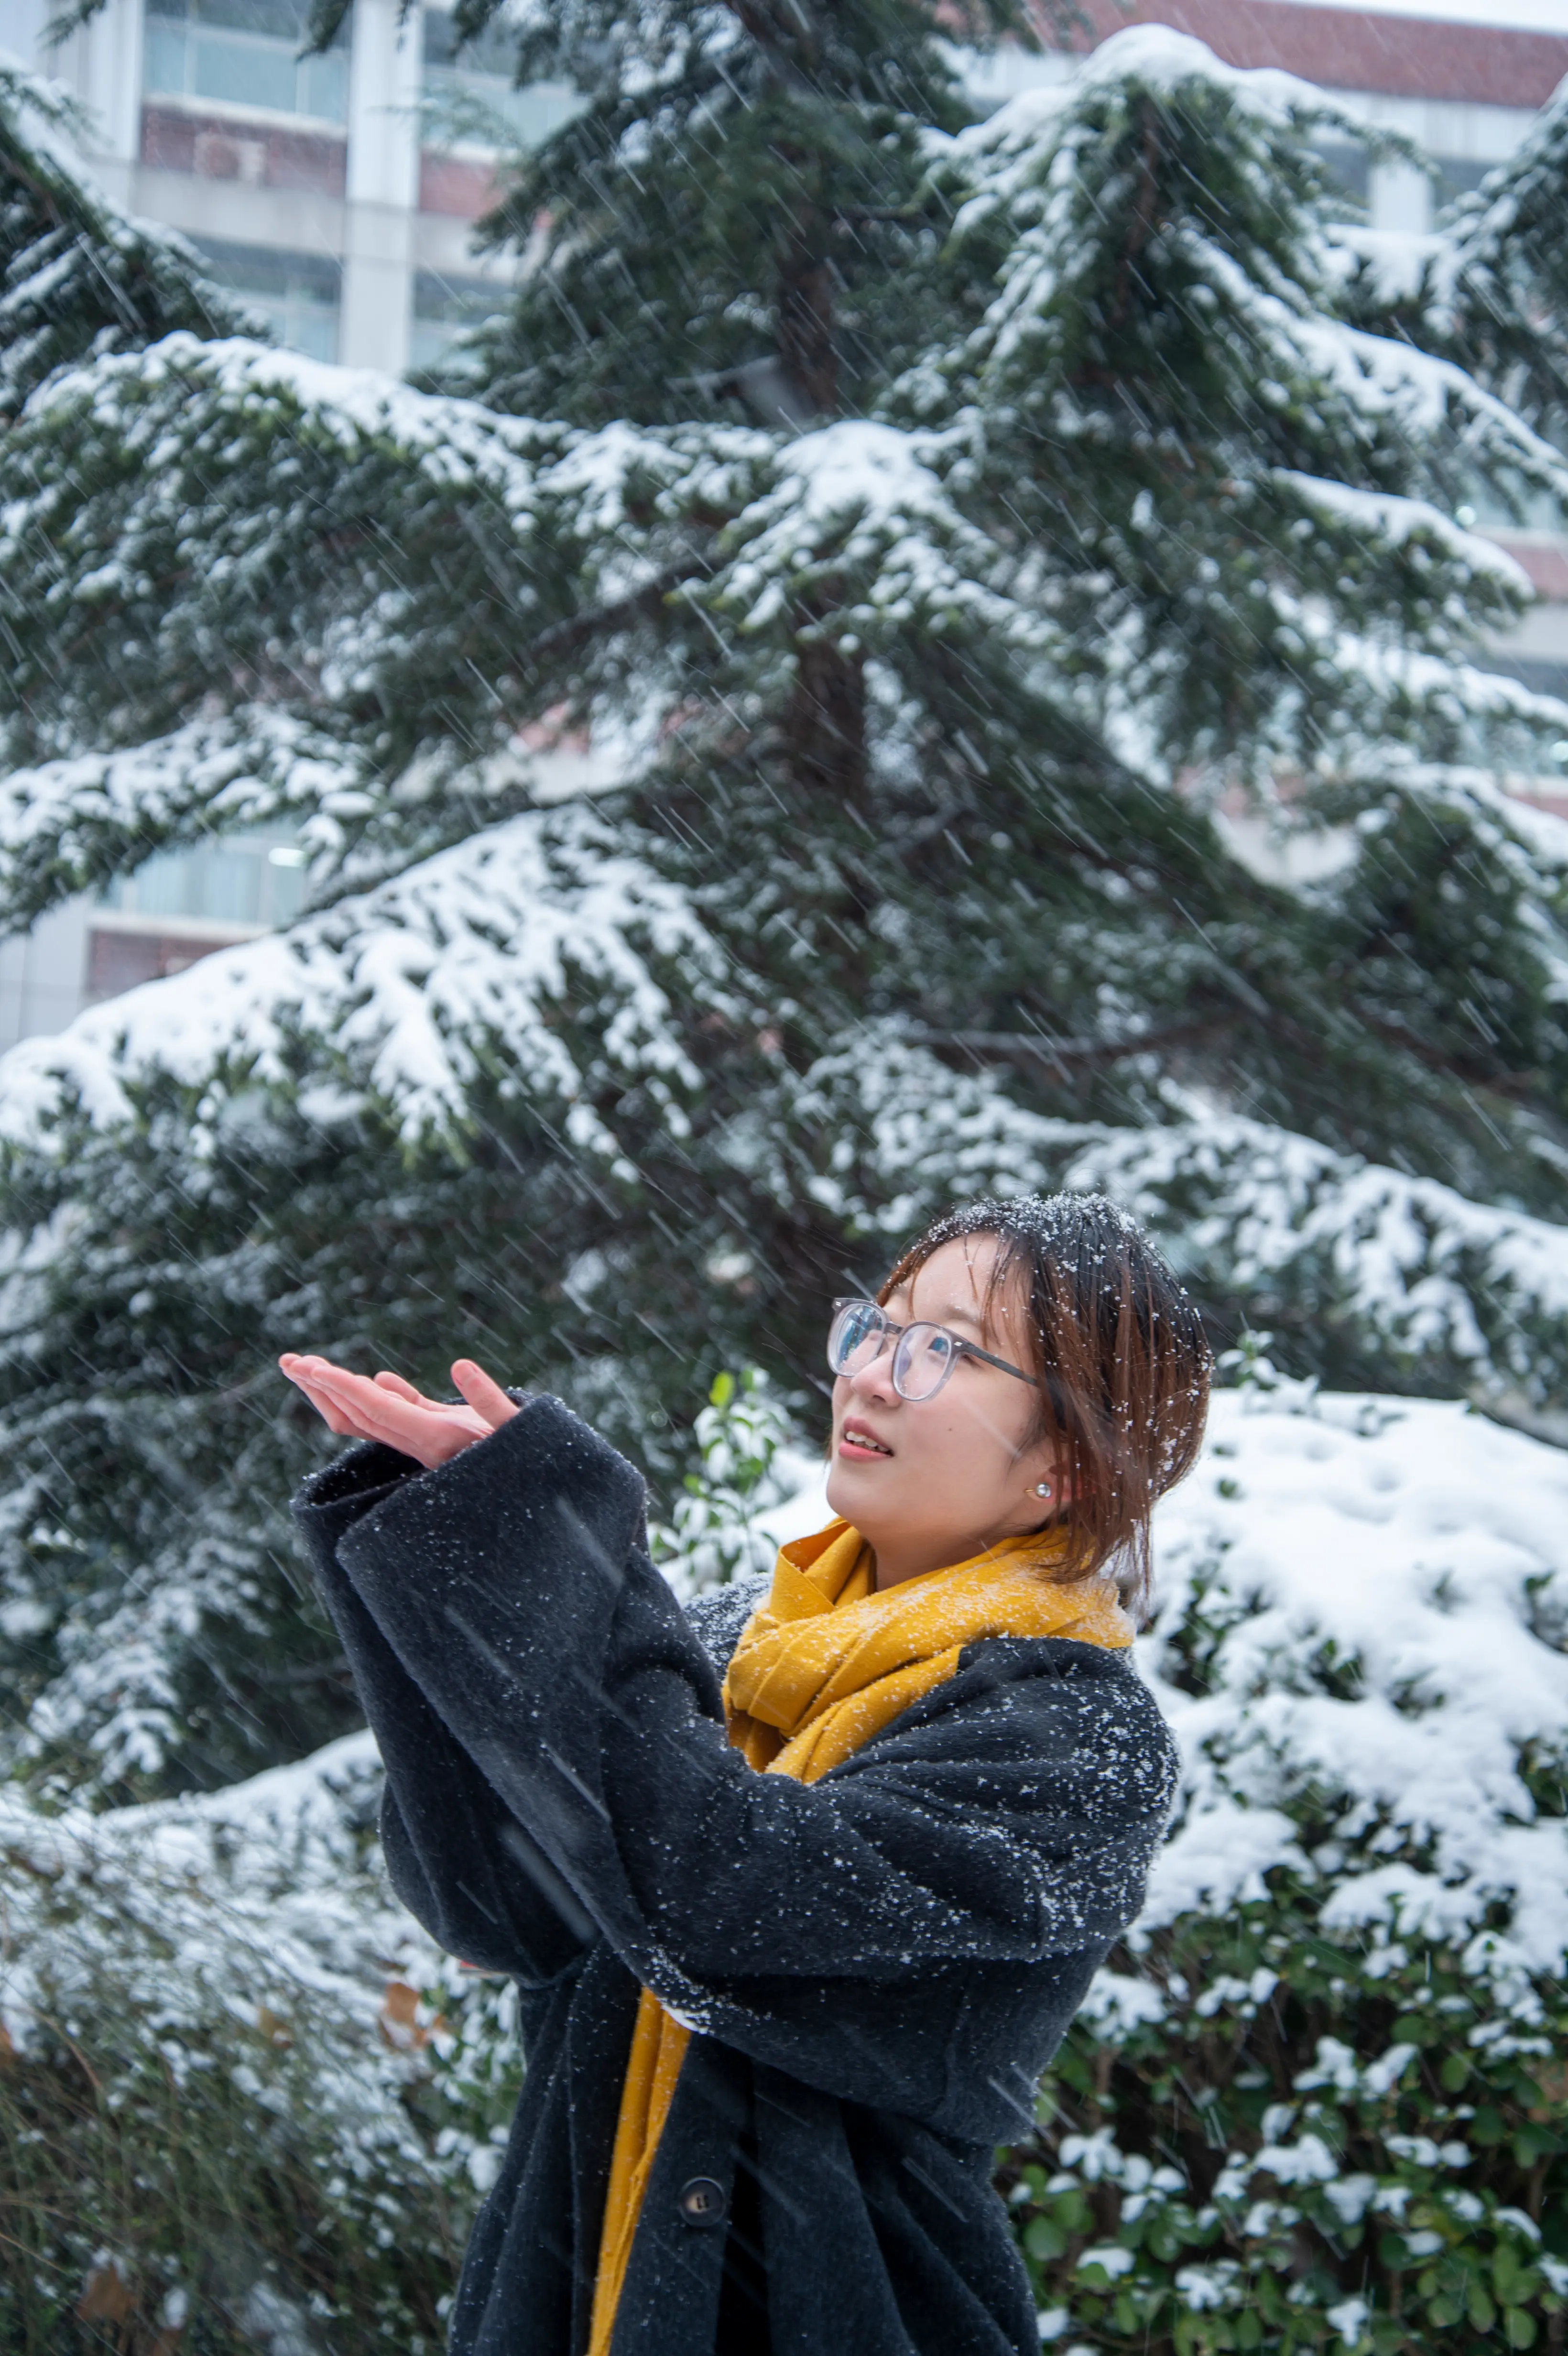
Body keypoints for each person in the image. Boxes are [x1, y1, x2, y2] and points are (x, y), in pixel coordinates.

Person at [280, 1191, 1209, 2356]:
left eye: (946, 1351)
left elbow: (721, 1902)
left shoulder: (1067, 1738)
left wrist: (561, 1548)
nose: (870, 1374)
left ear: (1069, 1462)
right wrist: (469, 1550)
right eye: (876, 1326)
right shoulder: (725, 1643)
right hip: (564, 2302)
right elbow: (499, 1906)